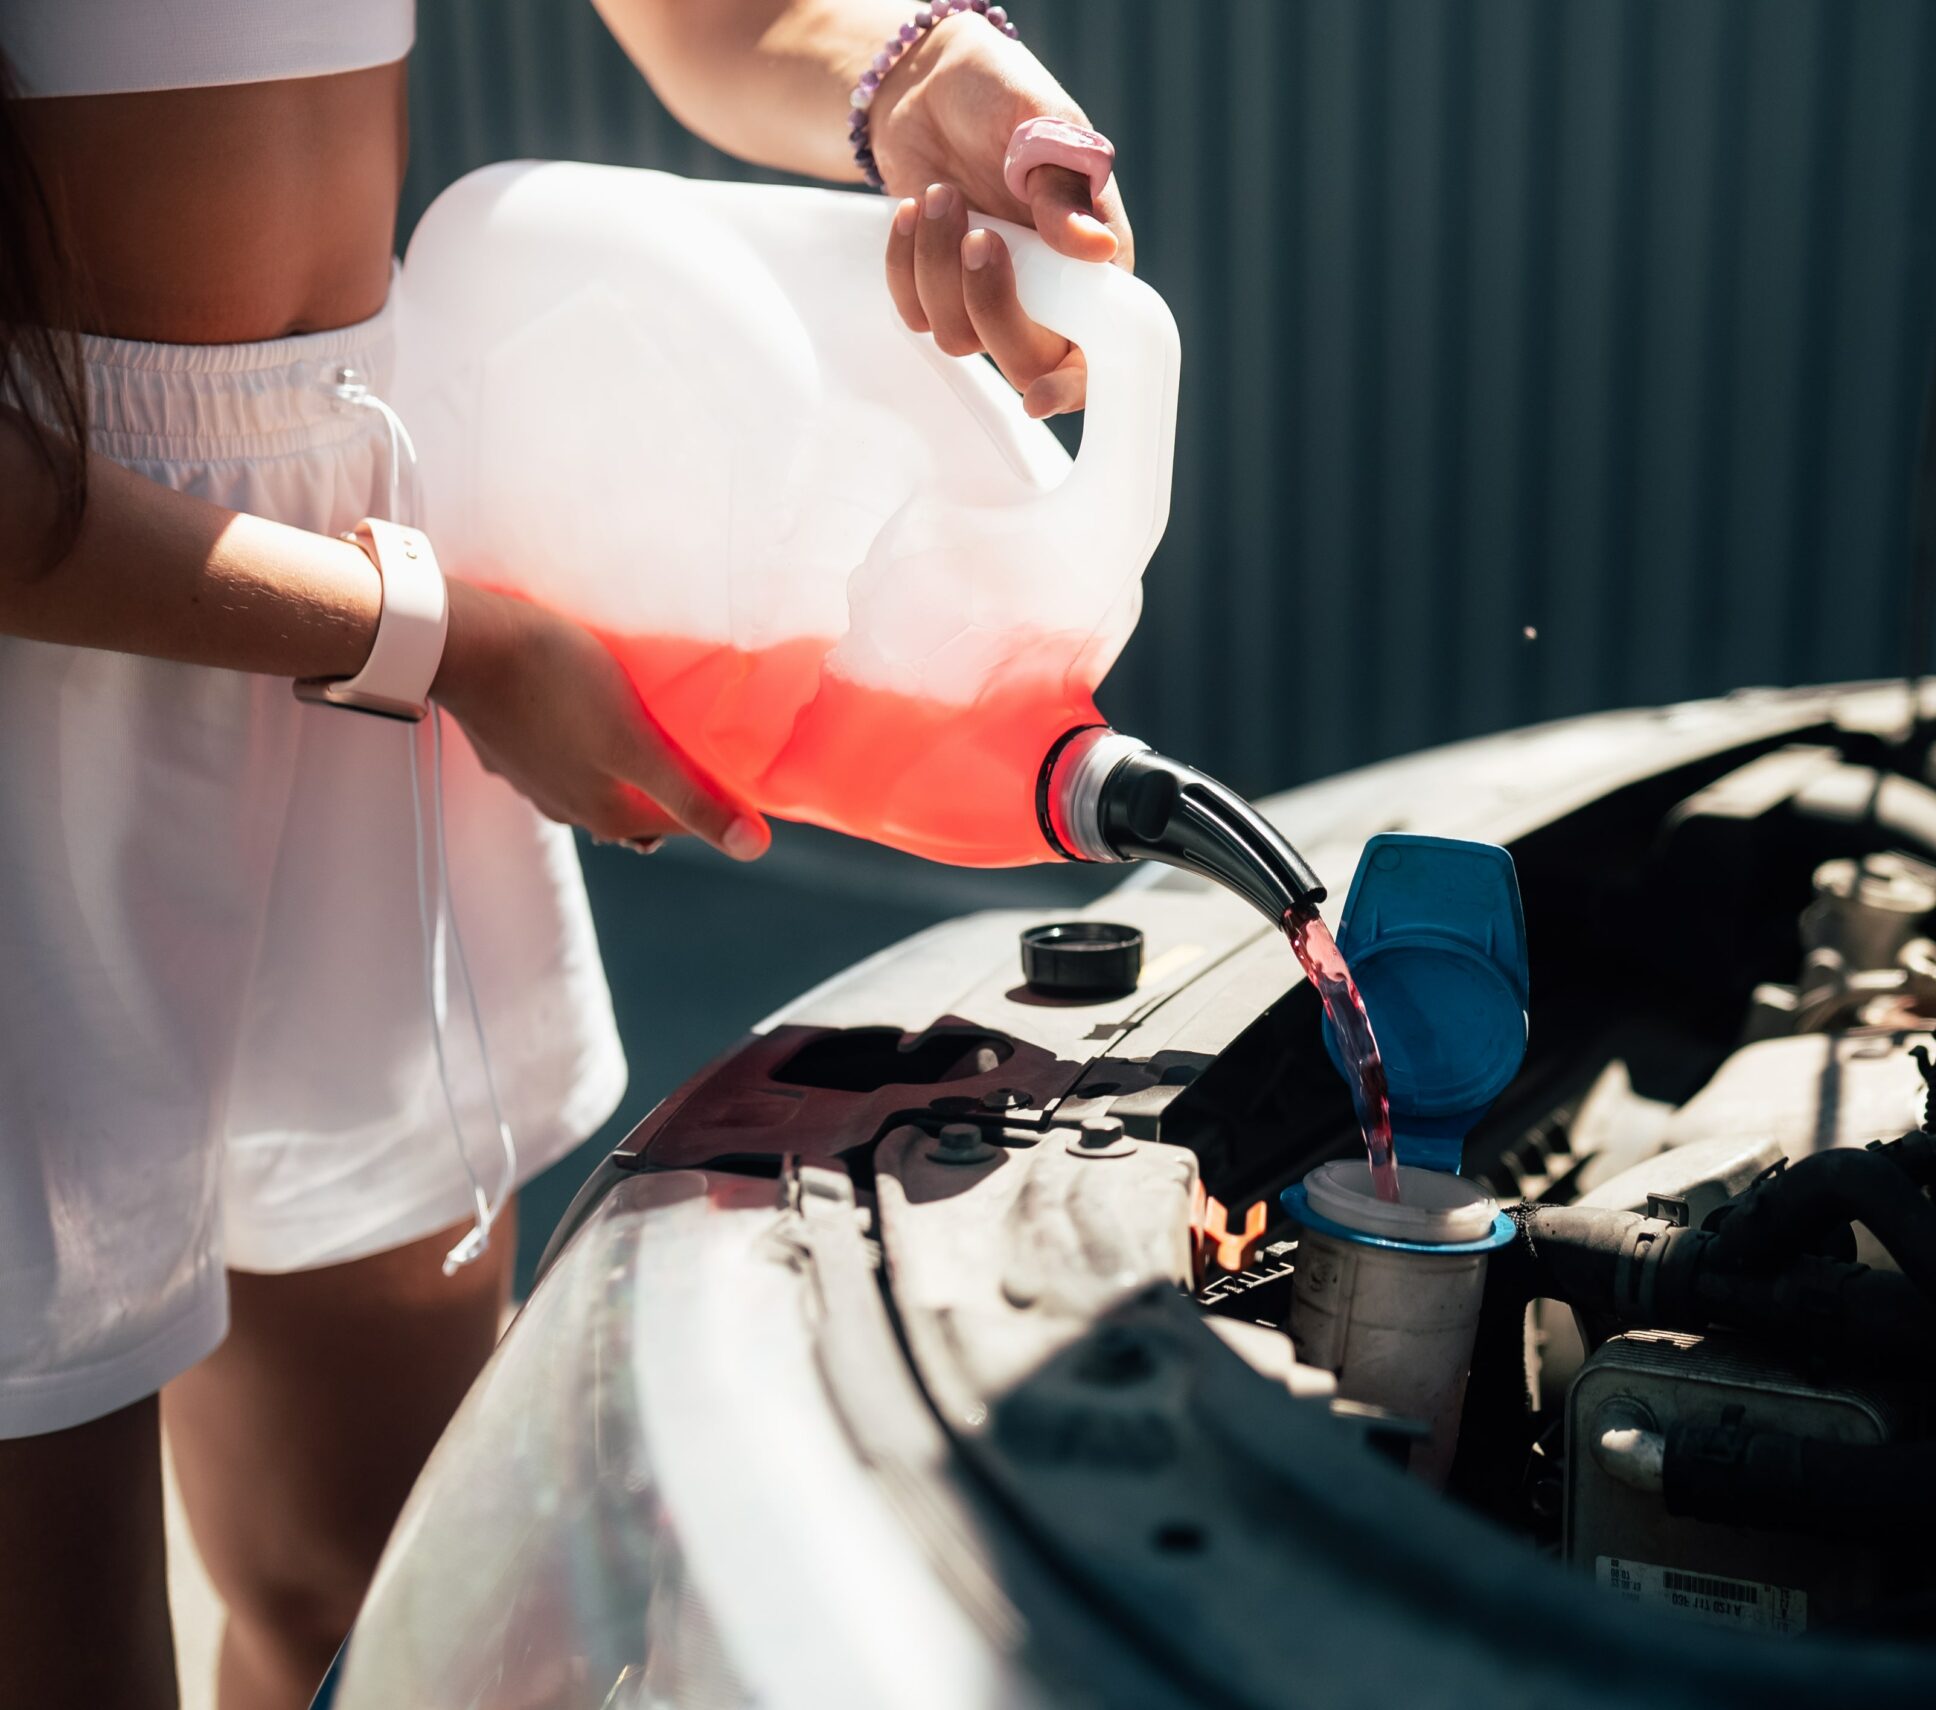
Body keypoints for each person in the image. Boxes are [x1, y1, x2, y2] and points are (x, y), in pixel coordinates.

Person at [0, 3, 1134, 1705]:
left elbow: (731, 18)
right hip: (63, 680)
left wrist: (919, 79)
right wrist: (447, 648)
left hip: (371, 579)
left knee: (373, 1595)